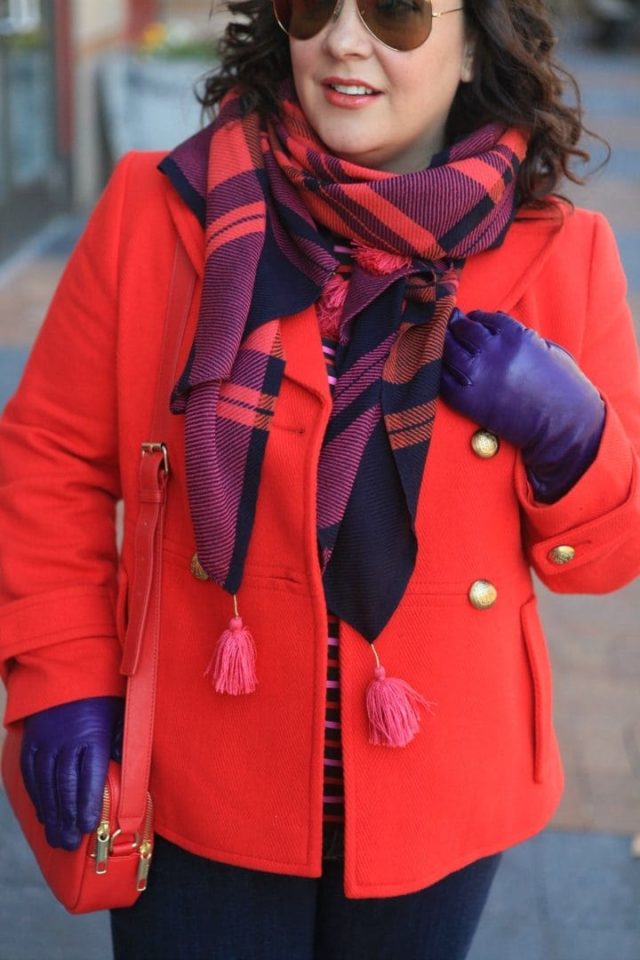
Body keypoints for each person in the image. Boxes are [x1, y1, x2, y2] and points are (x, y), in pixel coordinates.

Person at [1, 0, 639, 956]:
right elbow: (48, 459)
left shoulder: (563, 251)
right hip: (197, 775)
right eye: (314, 7)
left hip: (442, 791)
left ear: (473, 44)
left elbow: (600, 562)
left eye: (395, 12)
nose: (345, 40)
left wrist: (576, 437)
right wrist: (60, 673)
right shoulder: (157, 210)